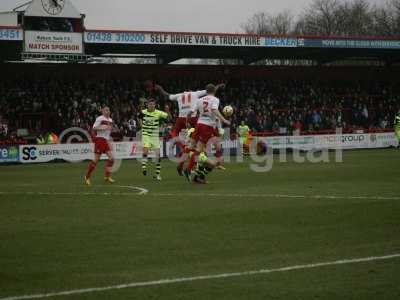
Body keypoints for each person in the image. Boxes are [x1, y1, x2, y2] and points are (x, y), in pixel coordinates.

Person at [155, 83, 225, 175]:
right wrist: (219, 86)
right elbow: (210, 91)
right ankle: (194, 162)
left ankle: (182, 151)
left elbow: (166, 95)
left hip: (181, 119)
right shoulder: (195, 93)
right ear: (190, 91)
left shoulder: (179, 95)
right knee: (197, 144)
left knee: (175, 133)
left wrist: (160, 88)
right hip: (193, 118)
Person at [185, 84, 230, 181]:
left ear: (206, 90)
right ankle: (189, 169)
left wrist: (187, 122)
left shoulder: (199, 100)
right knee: (199, 149)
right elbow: (214, 109)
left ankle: (184, 167)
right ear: (214, 91)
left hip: (199, 124)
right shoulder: (215, 99)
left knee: (191, 146)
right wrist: (224, 119)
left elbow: (191, 111)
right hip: (208, 126)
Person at [139, 98, 171, 181]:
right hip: (146, 134)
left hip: (154, 136)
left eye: (153, 104)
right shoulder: (143, 112)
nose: (151, 105)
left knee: (158, 156)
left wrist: (167, 111)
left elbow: (169, 118)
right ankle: (144, 167)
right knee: (145, 150)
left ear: (155, 105)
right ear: (147, 105)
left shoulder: (158, 113)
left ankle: (157, 175)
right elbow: (139, 117)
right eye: (150, 104)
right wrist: (141, 125)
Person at [84, 106, 115, 185]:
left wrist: (111, 128)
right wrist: (102, 127)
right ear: (102, 111)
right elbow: (94, 128)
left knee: (112, 159)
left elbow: (110, 128)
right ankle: (87, 177)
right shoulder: (100, 118)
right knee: (96, 160)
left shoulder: (110, 120)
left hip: (106, 140)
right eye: (106, 110)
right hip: (100, 140)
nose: (107, 111)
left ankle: (107, 176)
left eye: (108, 110)